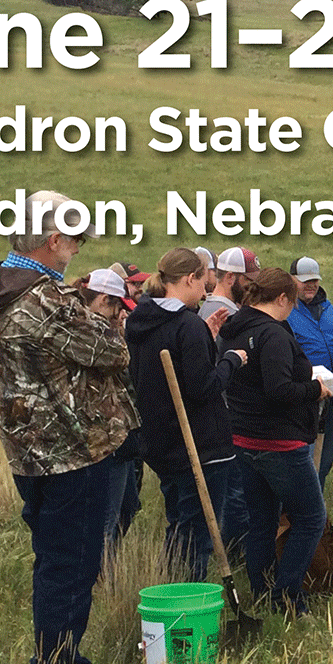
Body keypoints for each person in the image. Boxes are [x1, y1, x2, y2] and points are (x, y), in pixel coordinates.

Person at [0, 190, 135, 664]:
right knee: (72, 570)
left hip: (27, 455)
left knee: (54, 563)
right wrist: (100, 317)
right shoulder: (45, 302)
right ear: (53, 239)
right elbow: (113, 350)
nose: (78, 249)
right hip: (71, 457)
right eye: (76, 240)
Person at [125, 248, 248, 582]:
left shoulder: (142, 320)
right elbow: (203, 387)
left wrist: (205, 337)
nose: (206, 289)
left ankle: (172, 586)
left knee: (179, 522)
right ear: (190, 278)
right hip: (200, 444)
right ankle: (189, 596)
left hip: (161, 441)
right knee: (197, 532)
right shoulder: (186, 325)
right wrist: (231, 360)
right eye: (203, 280)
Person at [219, 268, 331, 614]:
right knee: (311, 518)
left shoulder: (233, 328)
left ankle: (262, 589)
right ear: (282, 298)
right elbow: (279, 390)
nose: (292, 309)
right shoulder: (273, 334)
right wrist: (315, 389)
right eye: (292, 302)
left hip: (244, 438)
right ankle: (288, 595)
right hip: (280, 443)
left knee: (262, 520)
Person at [75, 268, 143, 552]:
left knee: (128, 506)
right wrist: (117, 333)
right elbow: (120, 361)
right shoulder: (87, 331)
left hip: (118, 435)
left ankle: (108, 564)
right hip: (100, 440)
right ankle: (103, 572)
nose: (121, 314)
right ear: (103, 300)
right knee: (106, 520)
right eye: (118, 307)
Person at [288, 256, 333, 482]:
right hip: (305, 393)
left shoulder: (329, 310)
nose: (311, 285)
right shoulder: (288, 310)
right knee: (306, 454)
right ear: (292, 280)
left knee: (326, 452)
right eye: (305, 281)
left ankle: (319, 494)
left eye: (314, 280)